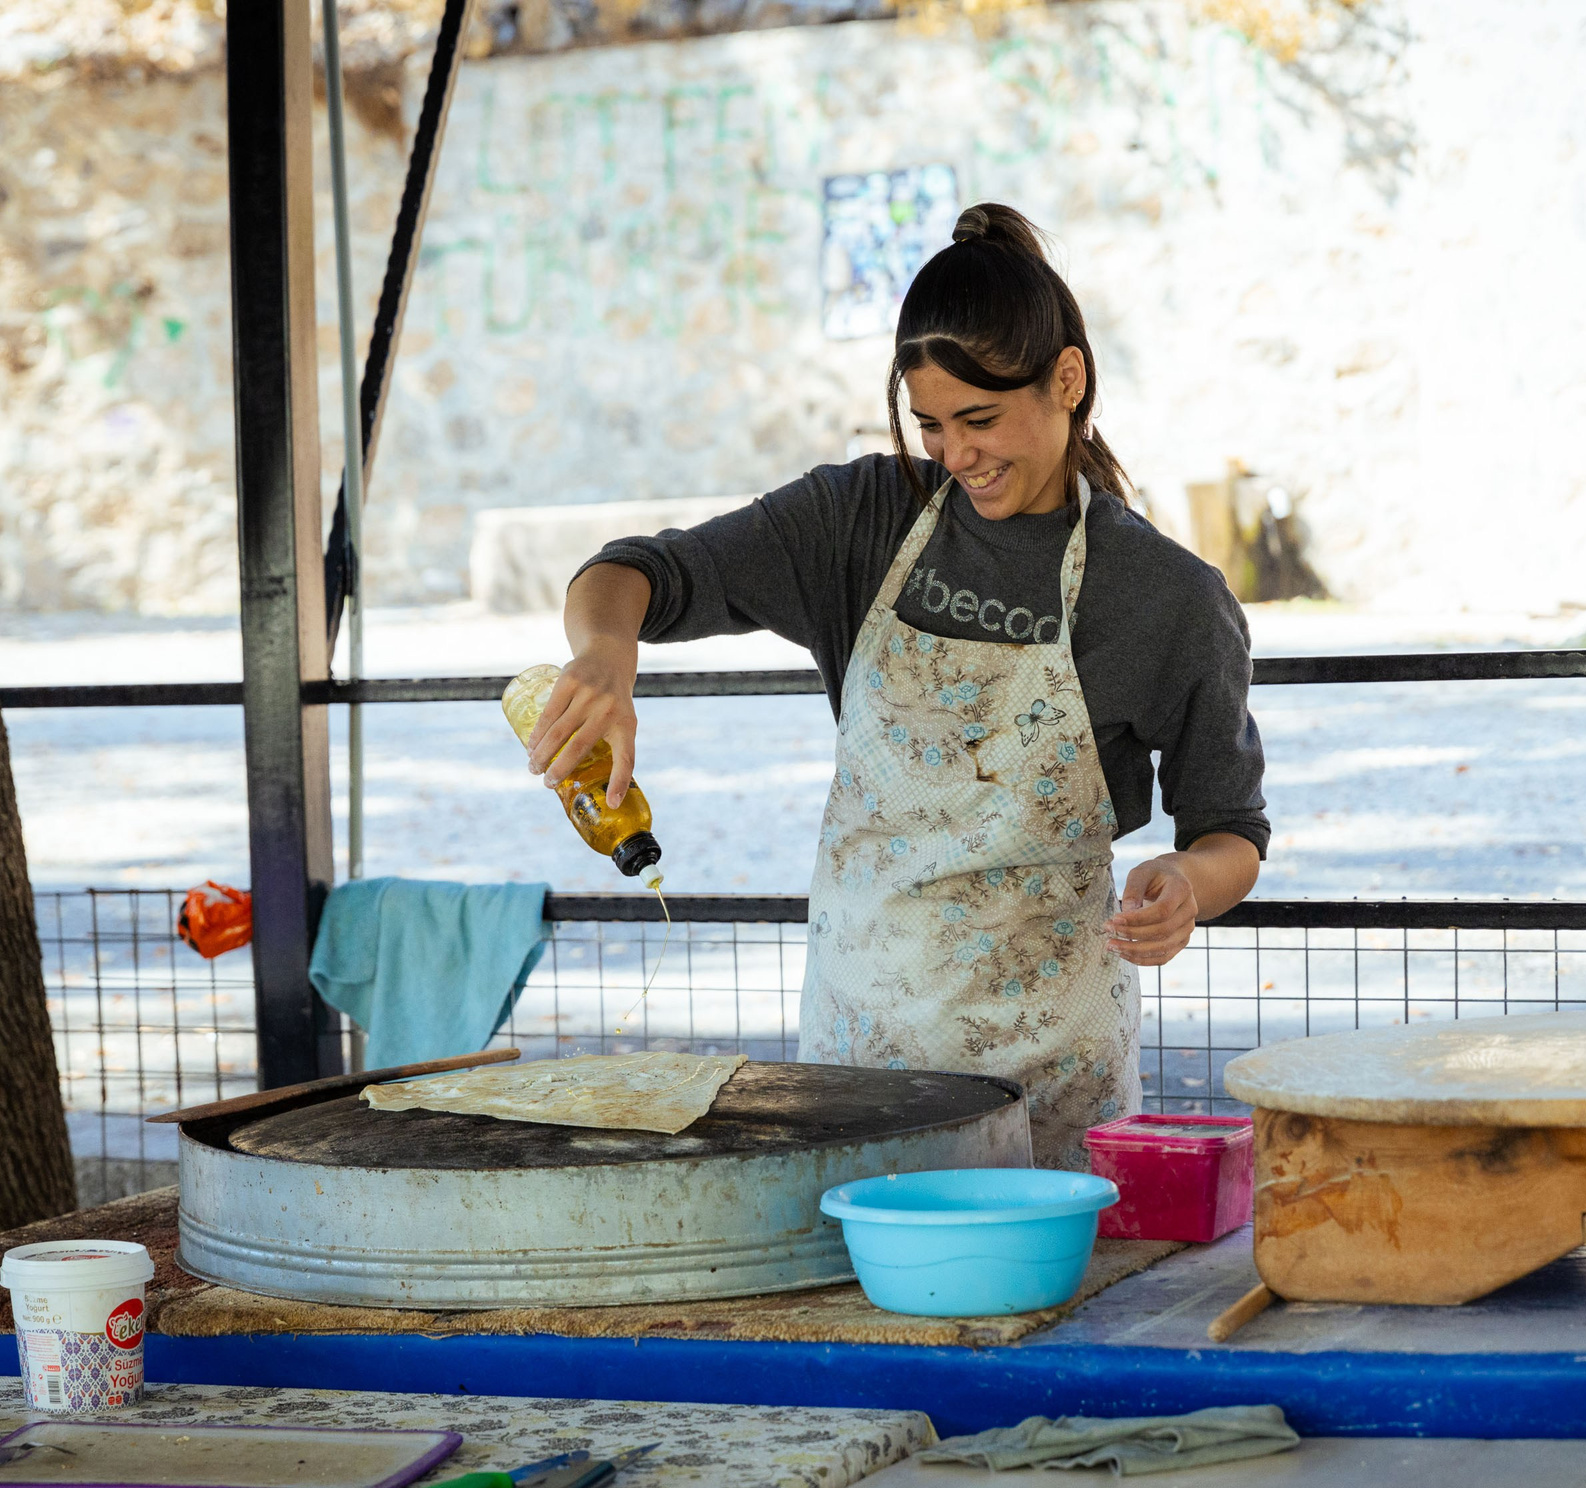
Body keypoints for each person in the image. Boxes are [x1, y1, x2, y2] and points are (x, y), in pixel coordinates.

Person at [527, 203, 1267, 1167]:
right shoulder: (865, 521)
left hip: (1053, 1082)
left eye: (981, 419)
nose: (957, 455)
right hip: (858, 1068)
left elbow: (1231, 830)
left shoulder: (1167, 597)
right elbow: (631, 573)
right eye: (930, 425)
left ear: (1068, 380)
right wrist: (604, 653)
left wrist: (1187, 885)